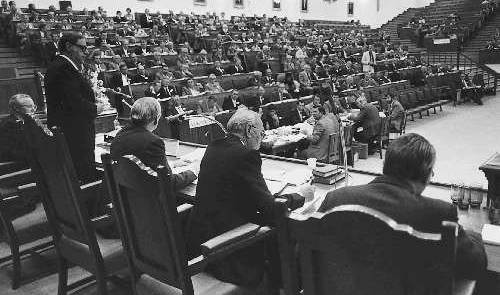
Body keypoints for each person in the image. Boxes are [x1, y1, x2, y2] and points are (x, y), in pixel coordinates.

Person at [318, 133, 487, 280]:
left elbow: (304, 254)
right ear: (426, 175)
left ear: (386, 166)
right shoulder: (439, 213)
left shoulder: (336, 198)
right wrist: (472, 234)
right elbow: (475, 266)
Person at [186, 109, 309, 288]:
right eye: (261, 132)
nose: (261, 136)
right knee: (284, 230)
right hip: (227, 253)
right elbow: (271, 209)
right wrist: (299, 195)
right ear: (250, 130)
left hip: (199, 248)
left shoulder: (213, 147)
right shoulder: (246, 155)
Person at [44, 33, 105, 183]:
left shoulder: (60, 65)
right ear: (69, 46)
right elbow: (73, 103)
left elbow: (70, 96)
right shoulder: (63, 68)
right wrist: (95, 108)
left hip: (72, 132)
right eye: (82, 48)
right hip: (75, 135)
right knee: (86, 175)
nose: (85, 52)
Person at [111, 97, 196, 190]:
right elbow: (170, 183)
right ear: (156, 118)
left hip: (127, 200)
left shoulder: (119, 135)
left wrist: (172, 164)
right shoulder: (153, 142)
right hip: (152, 202)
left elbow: (141, 168)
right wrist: (194, 171)